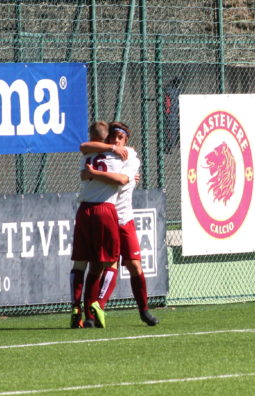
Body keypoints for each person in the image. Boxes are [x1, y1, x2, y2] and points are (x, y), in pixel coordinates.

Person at [81, 121, 159, 326]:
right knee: (100, 264)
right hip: (107, 215)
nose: (116, 140)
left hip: (124, 217)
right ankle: (92, 312)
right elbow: (85, 148)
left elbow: (122, 179)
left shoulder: (131, 156)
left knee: (134, 264)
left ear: (126, 140)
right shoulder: (106, 153)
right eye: (113, 137)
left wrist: (94, 174)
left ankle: (144, 310)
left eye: (120, 138)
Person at [70, 121, 129, 329]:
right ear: (108, 138)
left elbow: (84, 148)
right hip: (105, 209)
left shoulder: (86, 156)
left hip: (84, 210)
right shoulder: (120, 154)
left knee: (80, 262)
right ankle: (94, 306)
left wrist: (91, 173)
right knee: (105, 262)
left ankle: (76, 308)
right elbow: (122, 179)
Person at [164, 77, 181, 154]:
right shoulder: (169, 90)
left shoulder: (176, 90)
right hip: (171, 113)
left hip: (175, 112)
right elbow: (168, 102)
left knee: (174, 130)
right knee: (170, 130)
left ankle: (172, 145)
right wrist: (168, 111)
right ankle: (168, 147)